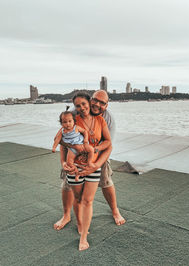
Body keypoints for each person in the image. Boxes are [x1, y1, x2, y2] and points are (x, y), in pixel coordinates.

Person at [54, 90, 125, 231]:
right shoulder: (75, 112)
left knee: (106, 181)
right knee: (67, 184)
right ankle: (66, 215)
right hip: (74, 157)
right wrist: (64, 162)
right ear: (90, 99)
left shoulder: (107, 118)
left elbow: (108, 146)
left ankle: (115, 211)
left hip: (99, 156)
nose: (97, 104)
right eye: (95, 100)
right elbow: (64, 140)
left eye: (102, 103)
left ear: (107, 105)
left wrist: (96, 163)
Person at [62, 92, 112, 250]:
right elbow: (63, 144)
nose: (82, 108)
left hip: (92, 165)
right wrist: (64, 162)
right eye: (78, 105)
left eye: (84, 104)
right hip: (74, 167)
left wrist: (94, 150)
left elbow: (108, 142)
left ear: (89, 103)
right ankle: (79, 223)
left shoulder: (101, 119)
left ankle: (83, 237)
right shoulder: (72, 120)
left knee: (88, 200)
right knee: (77, 199)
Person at [52, 111, 95, 180]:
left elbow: (85, 132)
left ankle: (89, 162)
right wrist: (54, 147)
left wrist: (86, 140)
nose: (68, 124)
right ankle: (77, 173)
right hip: (72, 149)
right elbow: (57, 139)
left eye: (70, 121)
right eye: (65, 122)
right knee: (69, 163)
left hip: (82, 144)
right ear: (61, 123)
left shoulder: (76, 128)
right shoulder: (62, 131)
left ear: (74, 121)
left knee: (91, 150)